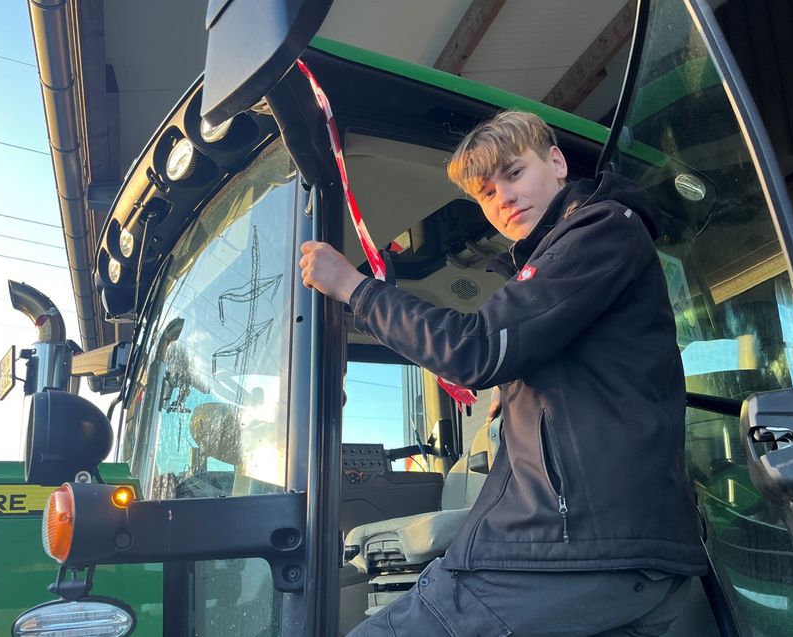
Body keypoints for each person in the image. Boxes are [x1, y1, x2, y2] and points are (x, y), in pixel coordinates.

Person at [299, 111, 706, 636]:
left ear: (556, 161)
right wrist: (519, 398)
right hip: (593, 542)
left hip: (577, 544)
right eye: (487, 193)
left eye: (514, 174)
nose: (503, 199)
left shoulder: (601, 228)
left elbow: (477, 349)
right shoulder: (575, 251)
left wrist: (355, 289)